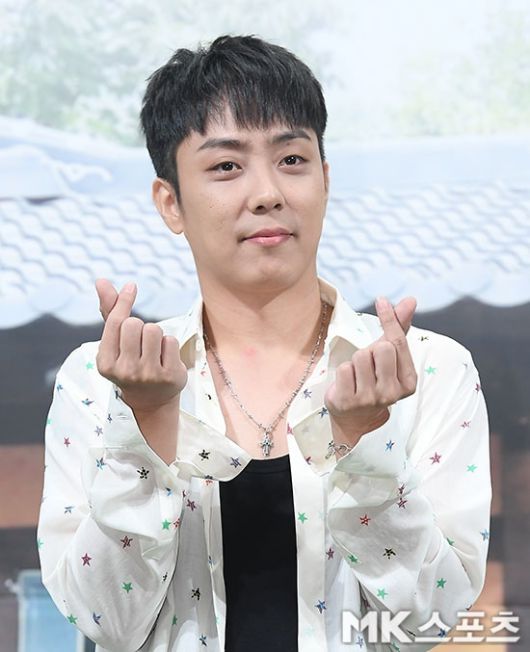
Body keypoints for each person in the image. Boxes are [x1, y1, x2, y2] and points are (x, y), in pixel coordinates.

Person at [37, 34, 491, 651]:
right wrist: (145, 424)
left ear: (325, 180)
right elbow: (105, 623)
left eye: (292, 159)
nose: (268, 193)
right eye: (226, 166)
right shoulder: (100, 381)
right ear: (170, 202)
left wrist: (366, 443)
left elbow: (431, 620)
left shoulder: (431, 369)